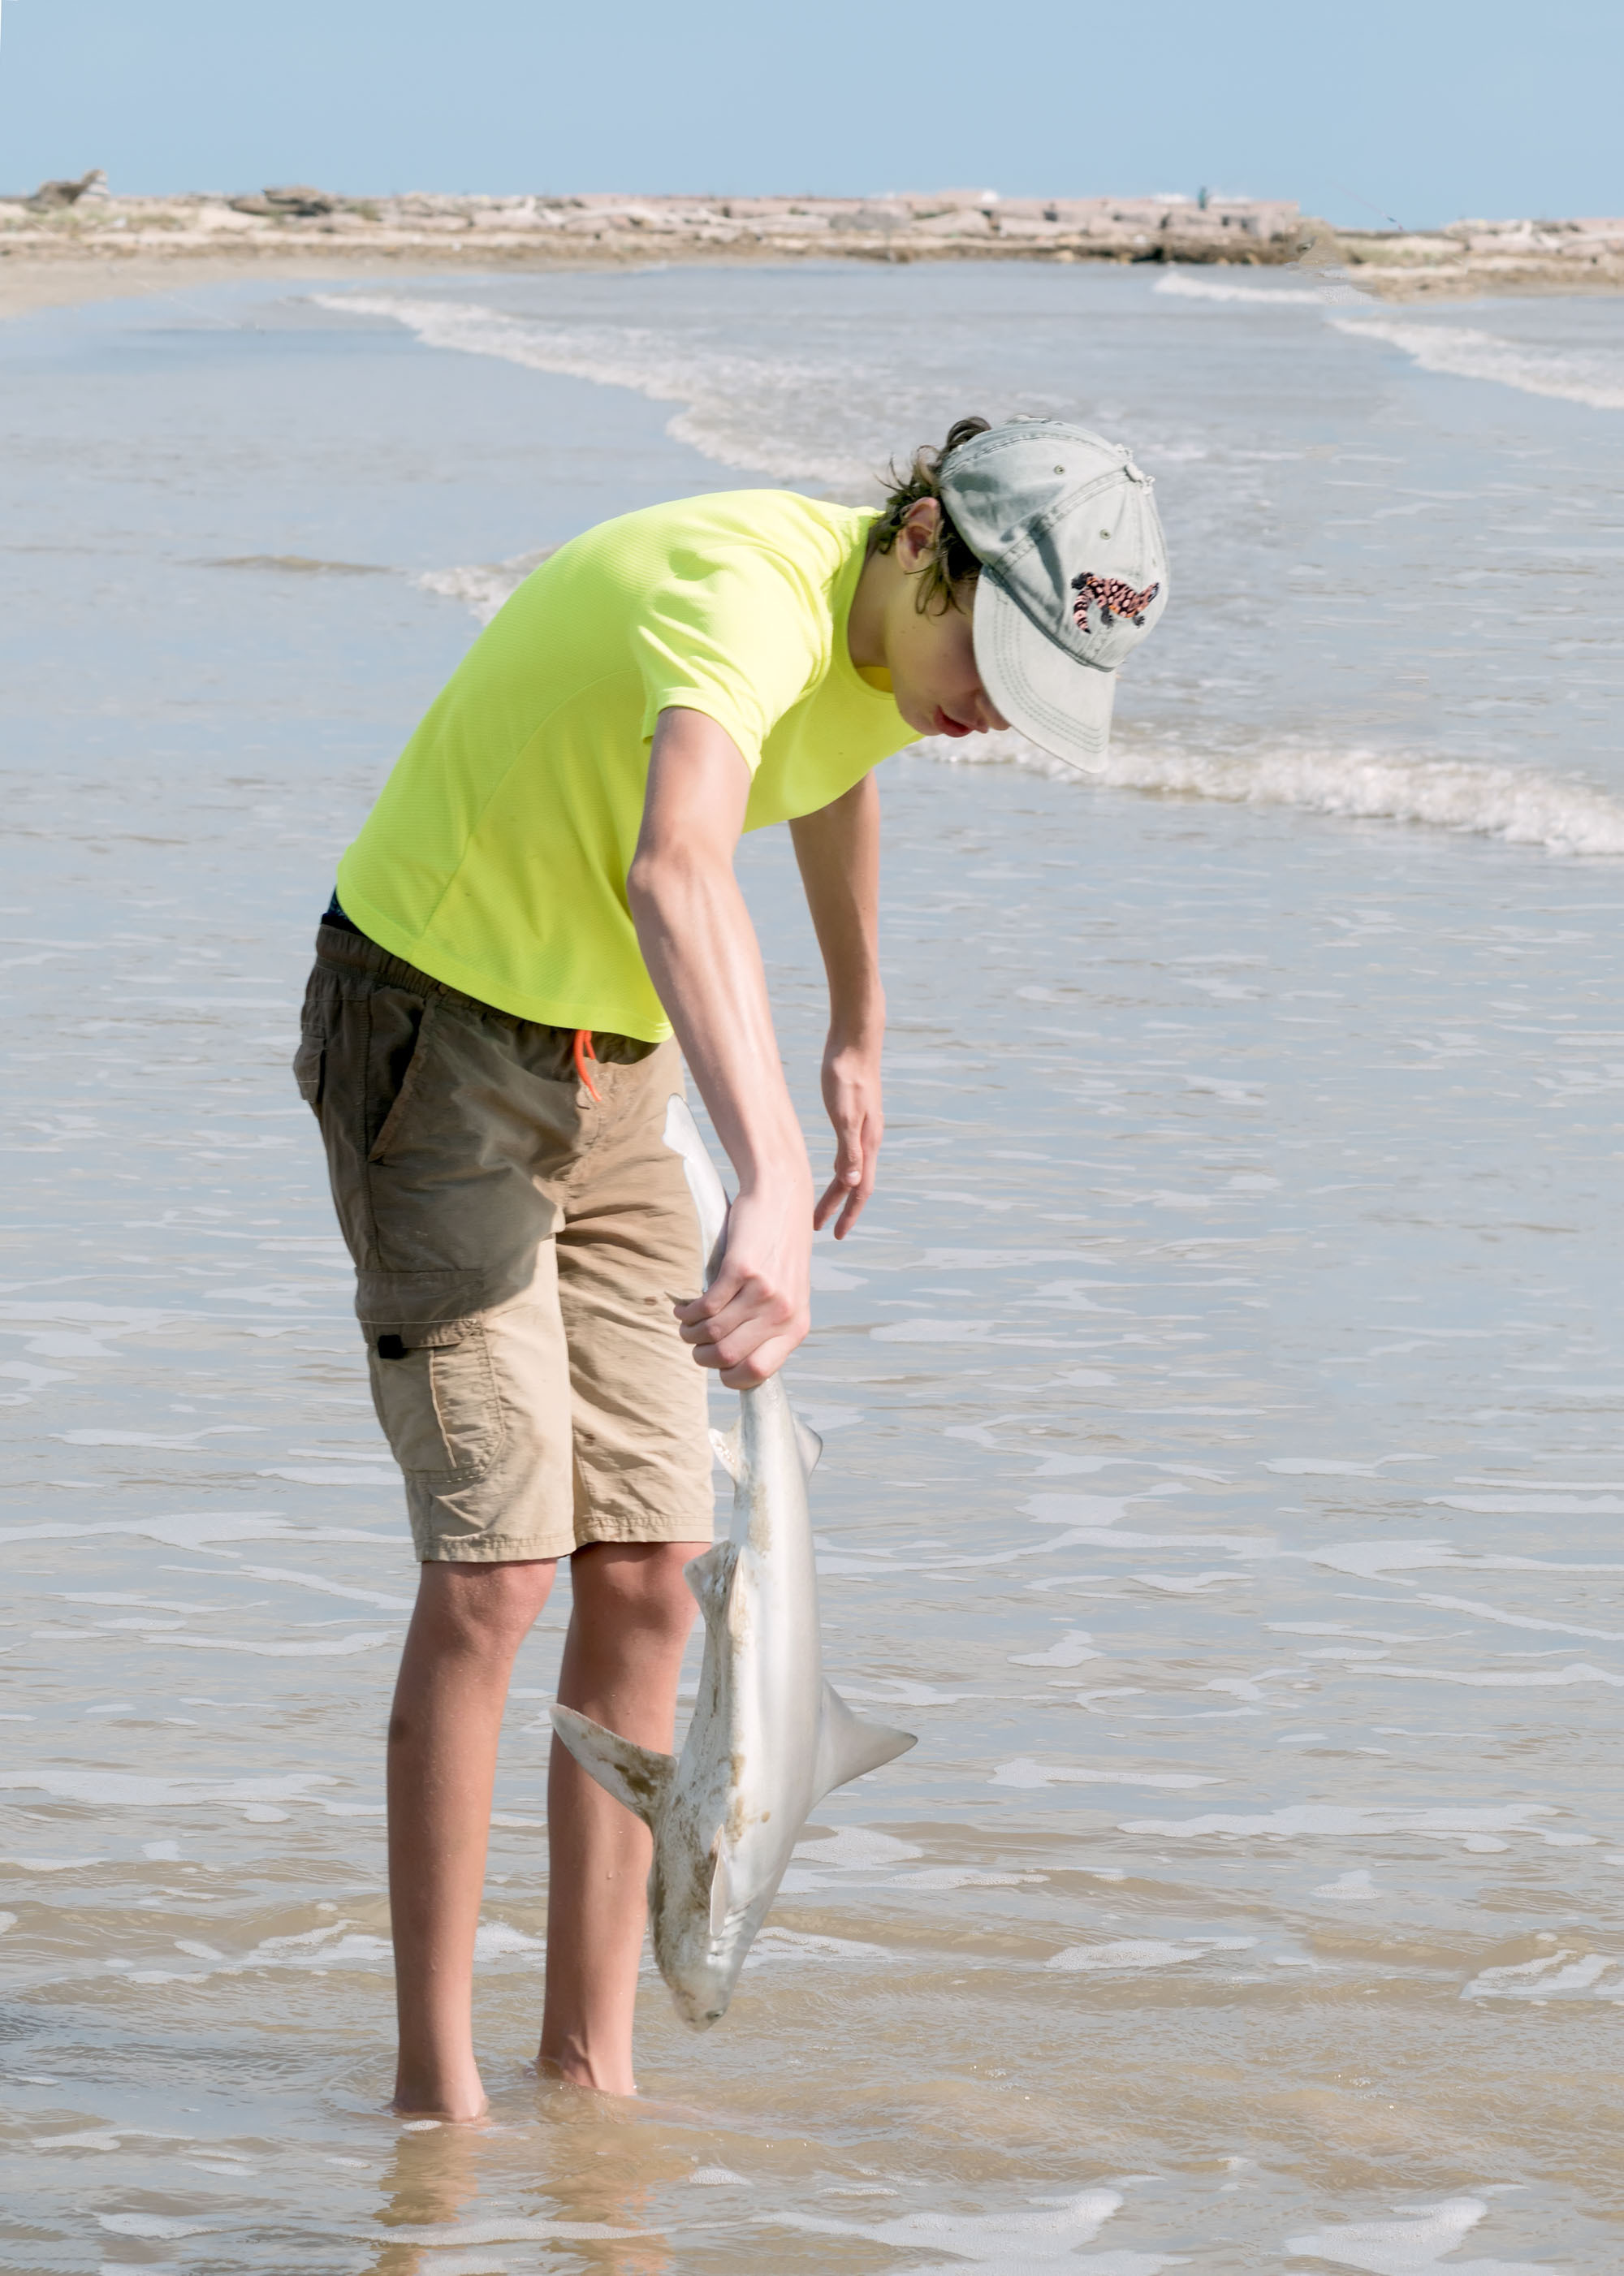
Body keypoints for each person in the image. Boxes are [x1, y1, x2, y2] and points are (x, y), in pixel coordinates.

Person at [293, 413, 1168, 2114]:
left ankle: (588, 2070)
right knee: (498, 1572)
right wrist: (769, 1173)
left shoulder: (895, 650)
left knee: (650, 1563)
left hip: (612, 1058)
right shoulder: (742, 593)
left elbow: (833, 768)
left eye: (1037, 687)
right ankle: (433, 2101)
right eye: (995, 662)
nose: (992, 711)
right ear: (924, 539)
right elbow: (678, 860)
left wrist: (859, 1020)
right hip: (432, 1035)